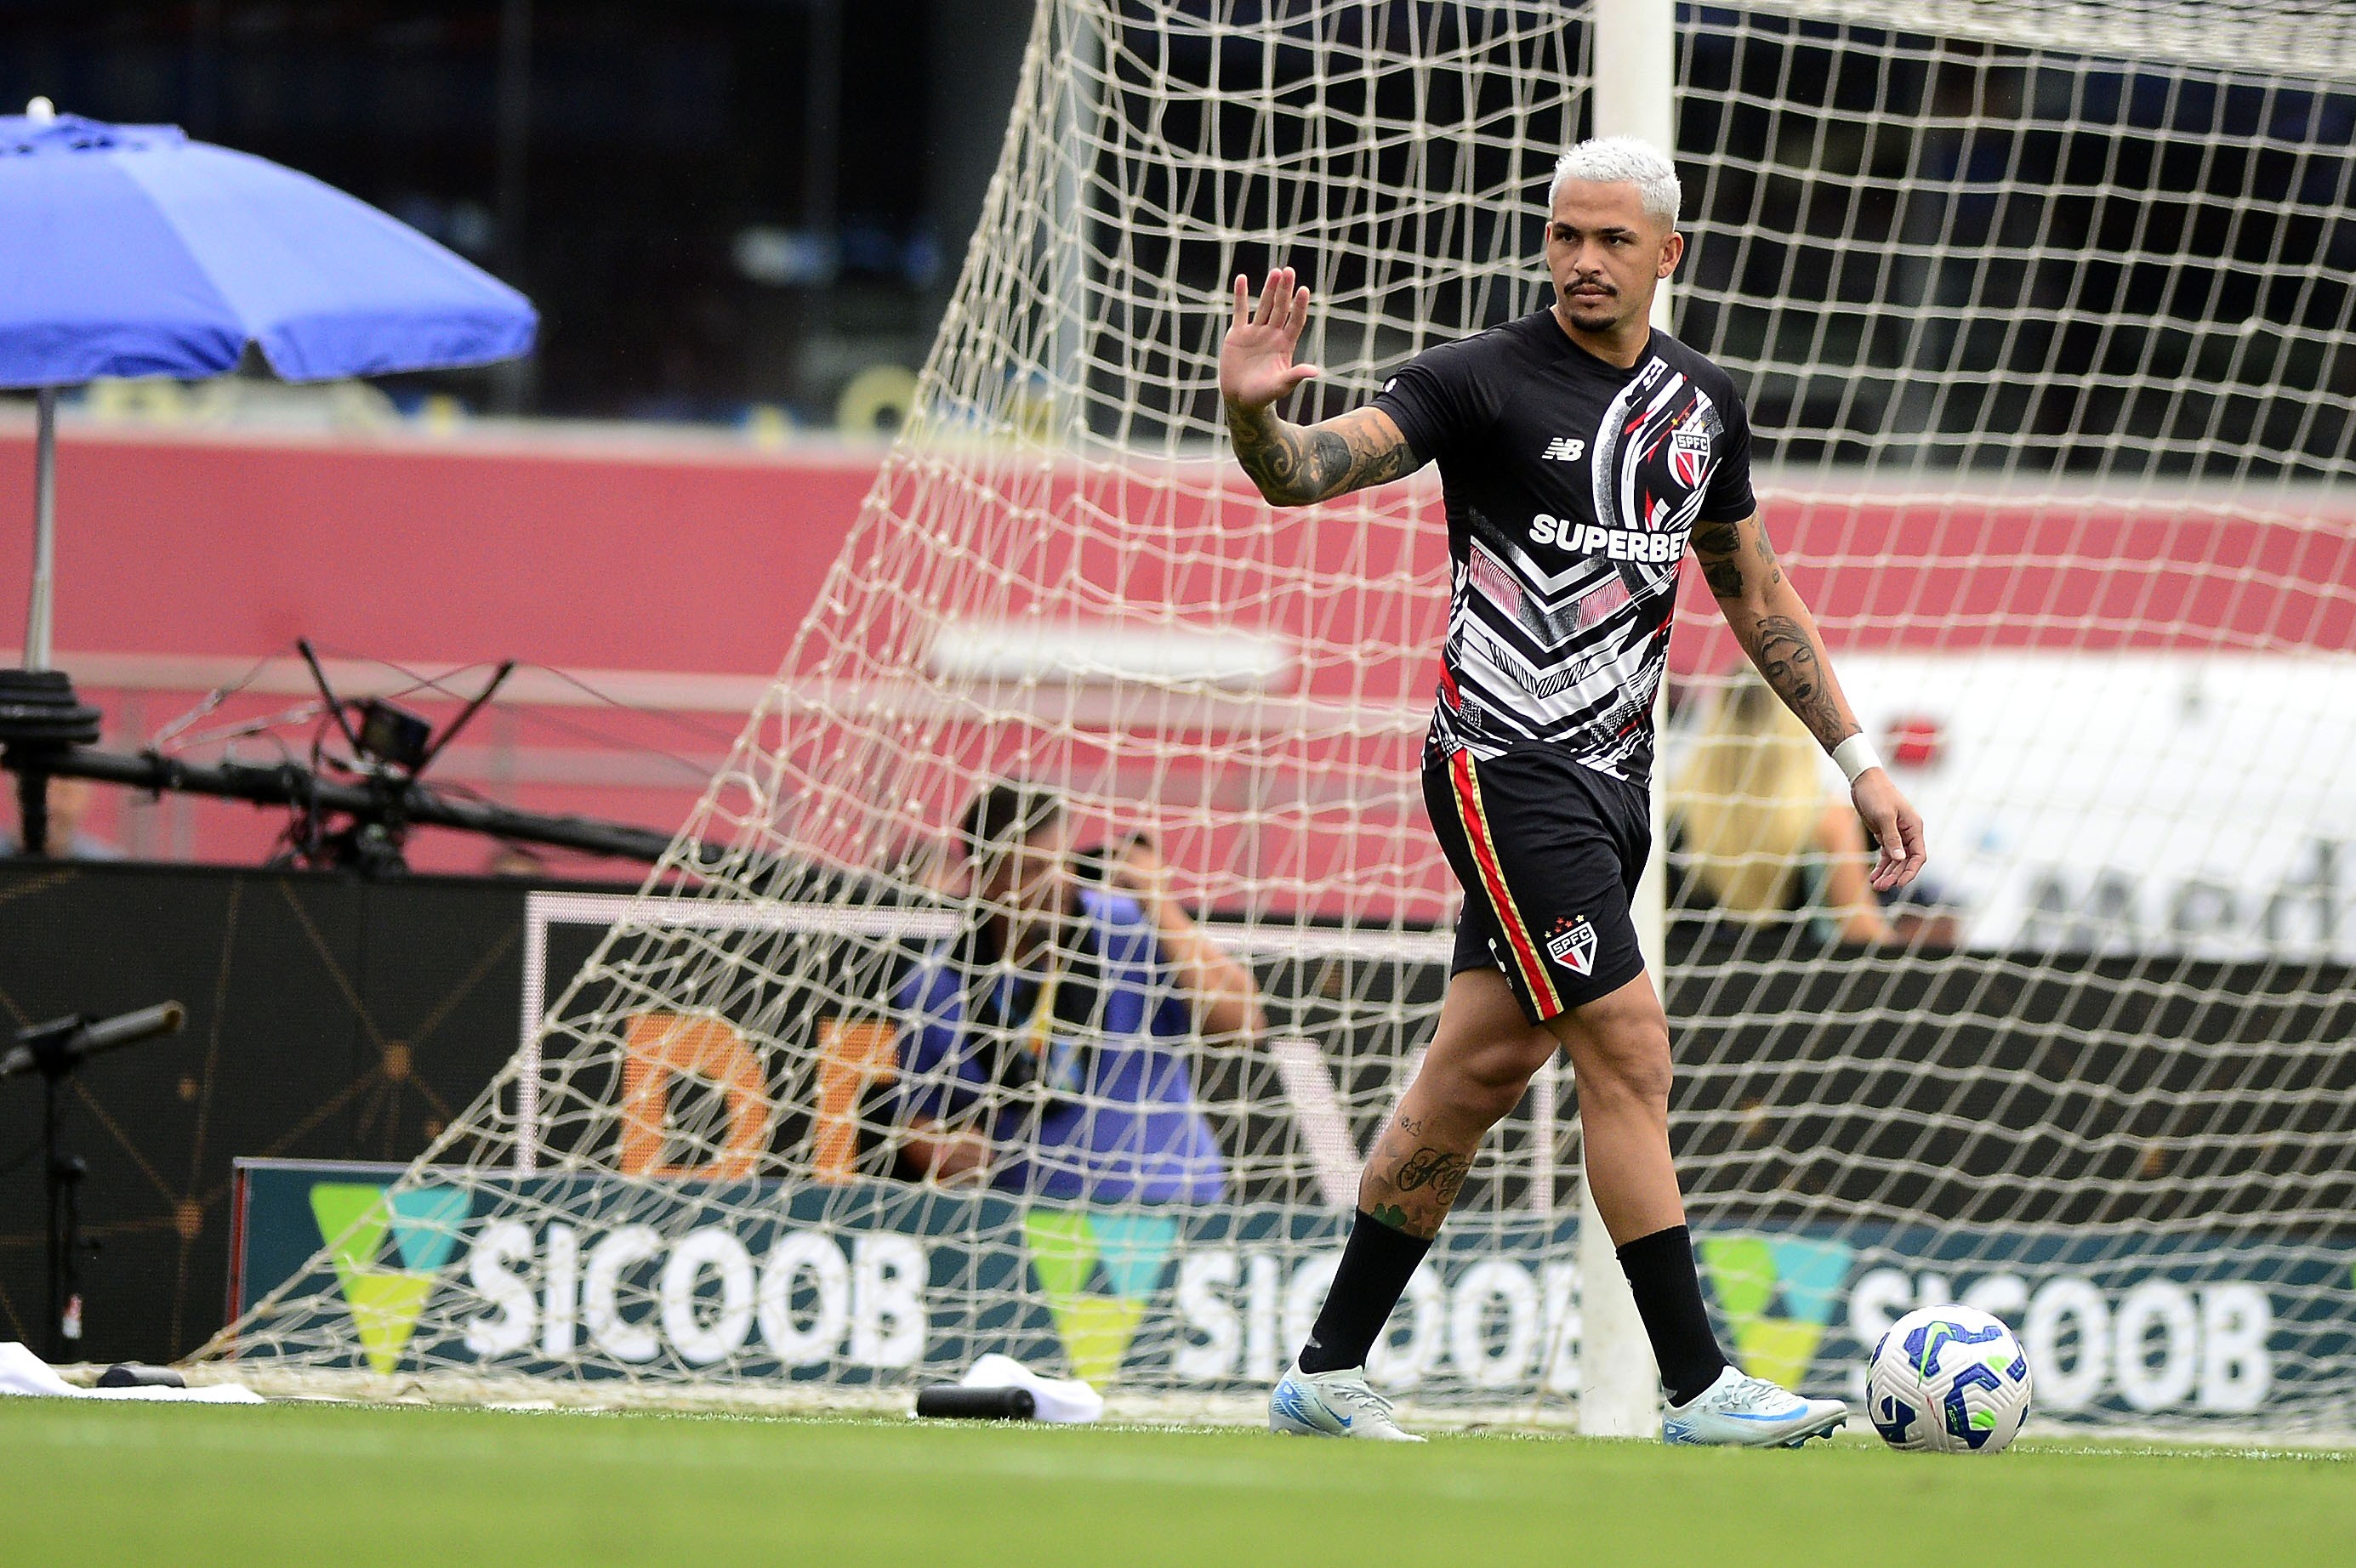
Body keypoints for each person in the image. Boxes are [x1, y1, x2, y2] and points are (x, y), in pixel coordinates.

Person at [1220, 137, 1926, 1444]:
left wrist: (1857, 761)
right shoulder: (1475, 381)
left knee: (1476, 1071)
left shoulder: (1699, 406)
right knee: (1629, 1046)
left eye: (1610, 240)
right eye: (1563, 236)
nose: (1582, 261)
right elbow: (1308, 471)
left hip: (1612, 787)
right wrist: (1257, 413)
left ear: (1670, 252)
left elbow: (1754, 594)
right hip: (1500, 767)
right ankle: (1700, 1386)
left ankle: (1324, 1373)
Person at [893, 781, 1266, 1203]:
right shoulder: (937, 986)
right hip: (1027, 1231)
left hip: (1170, 1212)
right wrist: (935, 1148)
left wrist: (1161, 903)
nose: (1058, 884)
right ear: (986, 879)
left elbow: (1243, 1025)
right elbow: (915, 1116)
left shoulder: (1128, 929)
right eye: (1033, 870)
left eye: (1063, 863)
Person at [1670, 677, 1895, 946]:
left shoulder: (1673, 815)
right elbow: (1861, 932)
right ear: (1795, 732)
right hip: (1795, 984)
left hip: (1683, 979)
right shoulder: (1826, 820)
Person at [3, 777, 126, 861]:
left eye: (65, 793)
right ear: (13, 792)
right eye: (38, 792)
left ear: (86, 797)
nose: (51, 803)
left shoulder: (112, 873)